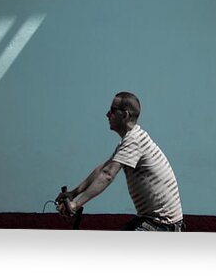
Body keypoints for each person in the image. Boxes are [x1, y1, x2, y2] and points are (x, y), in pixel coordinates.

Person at [56, 91, 184, 231]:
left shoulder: (134, 140)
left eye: (112, 110)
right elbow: (103, 169)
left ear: (125, 115)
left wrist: (75, 205)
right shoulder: (130, 140)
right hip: (153, 221)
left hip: (162, 225)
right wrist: (73, 194)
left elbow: (108, 175)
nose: (107, 115)